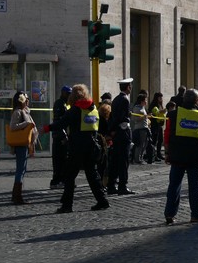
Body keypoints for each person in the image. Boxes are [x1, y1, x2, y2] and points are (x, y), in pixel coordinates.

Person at [42, 84, 109, 213]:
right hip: (91, 147)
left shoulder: (75, 110)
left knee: (69, 176)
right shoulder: (94, 109)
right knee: (92, 175)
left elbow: (61, 123)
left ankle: (67, 205)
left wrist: (46, 128)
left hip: (77, 147)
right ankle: (102, 201)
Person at [163, 89, 198, 224]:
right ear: (196, 101)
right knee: (195, 186)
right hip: (194, 157)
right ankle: (196, 214)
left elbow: (167, 135)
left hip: (177, 156)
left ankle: (169, 214)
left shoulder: (172, 115)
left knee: (174, 186)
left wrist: (166, 153)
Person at [107, 78, 135, 195]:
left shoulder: (116, 99)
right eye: (130, 86)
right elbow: (120, 118)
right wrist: (127, 117)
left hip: (117, 133)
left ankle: (111, 185)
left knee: (115, 160)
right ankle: (122, 186)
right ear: (128, 87)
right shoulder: (124, 100)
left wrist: (112, 130)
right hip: (123, 133)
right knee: (124, 161)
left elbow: (112, 116)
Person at [9, 91, 38, 205]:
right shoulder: (18, 112)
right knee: (20, 170)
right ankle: (17, 196)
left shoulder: (25, 111)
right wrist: (26, 124)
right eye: (26, 98)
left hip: (25, 144)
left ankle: (16, 195)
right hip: (21, 144)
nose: (28, 101)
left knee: (22, 169)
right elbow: (13, 127)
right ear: (21, 100)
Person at [50, 85, 71, 189]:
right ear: (63, 93)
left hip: (62, 135)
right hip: (59, 136)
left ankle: (62, 179)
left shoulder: (65, 104)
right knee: (58, 159)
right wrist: (63, 136)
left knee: (63, 159)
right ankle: (56, 180)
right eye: (68, 94)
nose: (69, 96)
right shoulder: (59, 103)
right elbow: (59, 122)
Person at [131, 93, 149, 164]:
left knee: (144, 144)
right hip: (139, 128)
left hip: (145, 127)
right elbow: (134, 119)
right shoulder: (137, 108)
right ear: (142, 101)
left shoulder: (143, 108)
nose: (146, 101)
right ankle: (137, 159)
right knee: (140, 144)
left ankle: (141, 157)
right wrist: (143, 117)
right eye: (145, 100)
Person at [149, 92, 167, 161]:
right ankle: (154, 155)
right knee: (155, 140)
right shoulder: (154, 105)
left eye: (161, 97)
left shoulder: (160, 105)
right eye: (160, 97)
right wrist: (163, 111)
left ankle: (158, 153)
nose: (161, 99)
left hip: (160, 124)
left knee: (160, 140)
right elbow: (156, 113)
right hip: (155, 124)